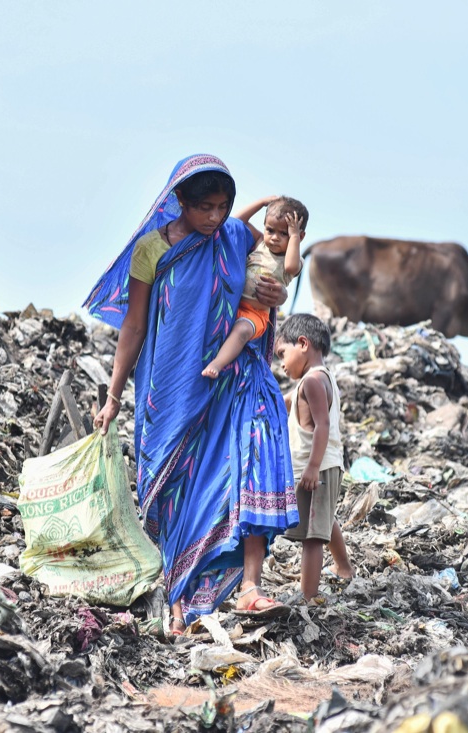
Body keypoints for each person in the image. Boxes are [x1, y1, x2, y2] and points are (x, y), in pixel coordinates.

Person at [84, 155, 298, 635]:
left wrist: (276, 297)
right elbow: (135, 326)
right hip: (169, 390)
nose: (216, 217)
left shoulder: (236, 239)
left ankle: (247, 587)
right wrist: (114, 396)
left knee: (230, 480)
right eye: (205, 207)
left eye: (224, 207)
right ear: (177, 200)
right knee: (174, 493)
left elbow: (269, 283)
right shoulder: (151, 251)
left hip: (227, 384)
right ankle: (178, 601)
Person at [274, 313, 354, 603]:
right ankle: (344, 567)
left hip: (316, 467)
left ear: (303, 343)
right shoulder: (318, 378)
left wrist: (311, 468)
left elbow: (322, 425)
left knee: (311, 536)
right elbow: (287, 402)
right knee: (322, 520)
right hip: (325, 465)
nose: (281, 364)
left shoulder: (311, 382)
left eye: (283, 354)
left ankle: (308, 596)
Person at [201, 196, 308, 378]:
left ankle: (217, 364)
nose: (274, 238)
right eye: (270, 230)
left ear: (299, 236)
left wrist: (295, 236)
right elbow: (236, 222)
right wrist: (261, 203)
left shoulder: (295, 260)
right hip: (232, 304)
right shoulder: (260, 241)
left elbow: (290, 267)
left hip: (255, 314)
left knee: (241, 332)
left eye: (284, 234)